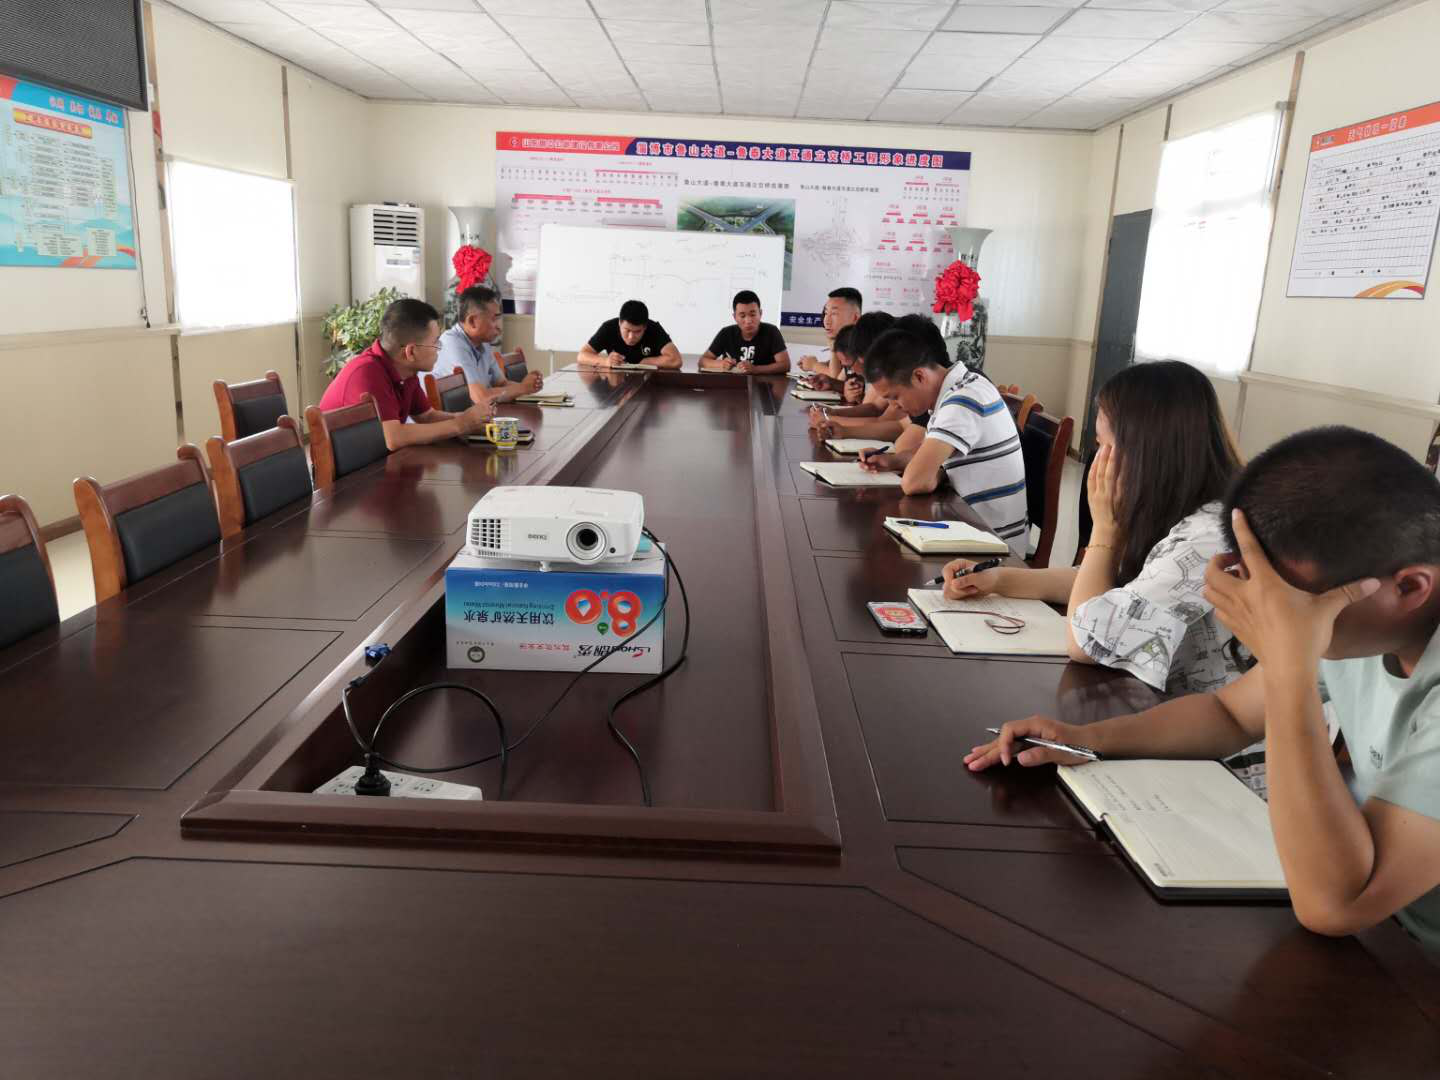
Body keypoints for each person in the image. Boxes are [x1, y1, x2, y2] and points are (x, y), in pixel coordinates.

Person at [968, 426, 1440, 951]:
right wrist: (1085, 739)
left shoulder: (1334, 624)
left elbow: (1334, 905)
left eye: (1287, 605)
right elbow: (1228, 714)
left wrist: (1288, 658)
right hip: (1387, 927)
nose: (1268, 613)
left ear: (1409, 588)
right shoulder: (1358, 618)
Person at [942, 360, 1252, 703]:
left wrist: (1104, 531)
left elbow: (1086, 641)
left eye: (1104, 445)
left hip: (1200, 728)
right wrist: (998, 580)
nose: (1096, 459)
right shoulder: (1178, 507)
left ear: (1146, 452)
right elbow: (1111, 583)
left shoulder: (1207, 538)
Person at [856, 326, 1028, 554]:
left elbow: (914, 482)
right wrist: (893, 460)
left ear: (919, 376)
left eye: (894, 397)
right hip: (974, 528)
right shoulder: (965, 384)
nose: (893, 406)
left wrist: (936, 474)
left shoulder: (962, 401)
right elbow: (928, 455)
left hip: (992, 545)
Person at [317, 298, 493, 450]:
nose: (439, 349)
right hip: (354, 475)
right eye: (435, 343)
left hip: (380, 461)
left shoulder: (406, 371)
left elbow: (427, 416)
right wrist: (460, 424)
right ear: (411, 352)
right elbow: (393, 437)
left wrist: (470, 420)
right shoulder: (367, 372)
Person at [432, 286, 543, 404]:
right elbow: (480, 398)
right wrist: (522, 388)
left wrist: (528, 387)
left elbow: (502, 384)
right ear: (472, 321)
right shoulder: (453, 343)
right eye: (494, 320)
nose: (499, 327)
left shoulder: (483, 343)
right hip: (456, 415)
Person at [699, 290, 790, 374]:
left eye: (752, 314)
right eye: (742, 316)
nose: (748, 321)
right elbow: (702, 361)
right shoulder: (726, 333)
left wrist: (755, 369)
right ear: (735, 317)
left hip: (764, 384)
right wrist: (721, 364)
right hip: (732, 384)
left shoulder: (771, 331)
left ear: (760, 313)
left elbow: (785, 365)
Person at [578, 300, 681, 370]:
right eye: (627, 330)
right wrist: (605, 361)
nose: (631, 337)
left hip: (649, 382)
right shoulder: (608, 327)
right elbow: (582, 356)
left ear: (645, 327)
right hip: (616, 384)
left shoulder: (654, 328)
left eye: (638, 331)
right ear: (620, 323)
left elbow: (676, 360)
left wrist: (647, 361)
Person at [794, 287, 862, 375]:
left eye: (834, 313)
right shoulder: (844, 342)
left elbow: (836, 378)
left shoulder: (862, 343)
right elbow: (837, 368)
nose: (826, 321)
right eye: (826, 313)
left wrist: (814, 365)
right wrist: (815, 364)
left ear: (855, 317)